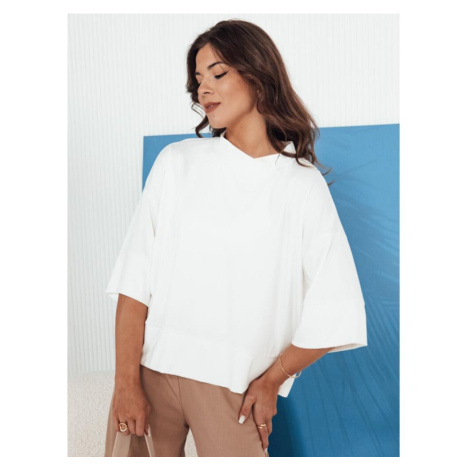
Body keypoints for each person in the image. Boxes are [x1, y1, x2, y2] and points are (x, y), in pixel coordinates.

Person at [103, 19, 368, 457]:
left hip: (232, 387)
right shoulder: (176, 162)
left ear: (258, 76)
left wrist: (272, 380)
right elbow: (134, 284)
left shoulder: (300, 185)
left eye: (218, 73)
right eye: (198, 79)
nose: (203, 88)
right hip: (148, 375)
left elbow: (338, 306)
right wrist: (125, 382)